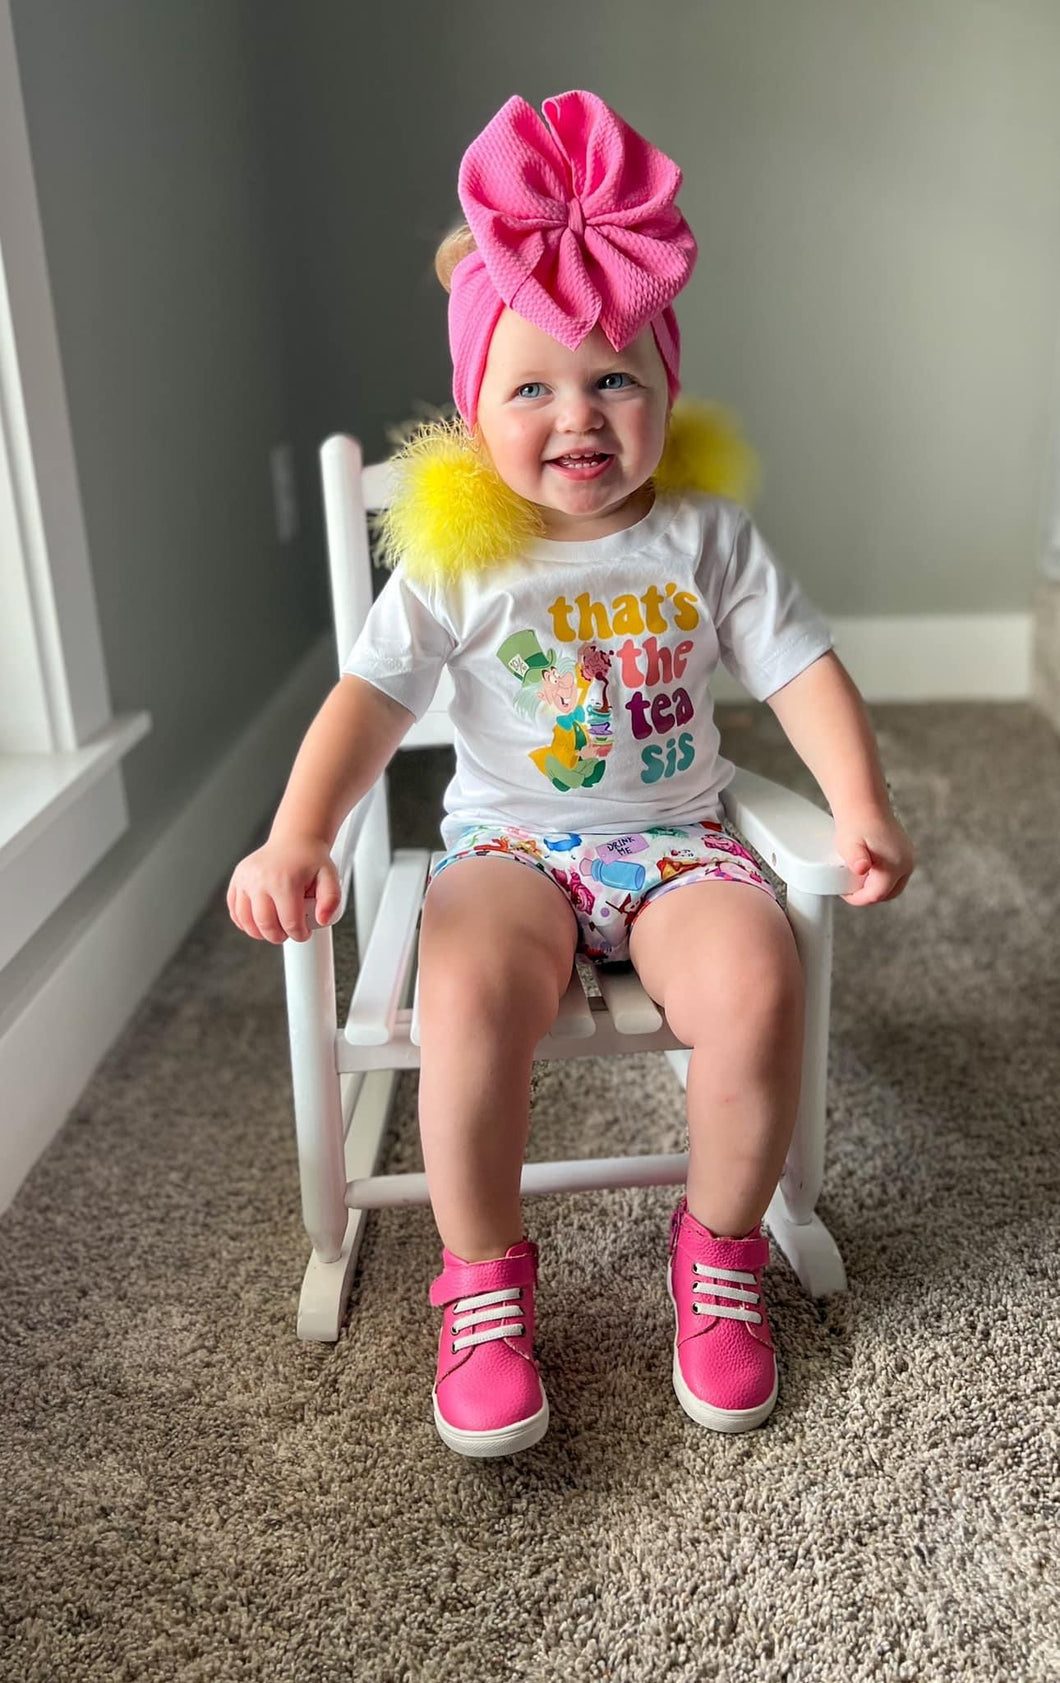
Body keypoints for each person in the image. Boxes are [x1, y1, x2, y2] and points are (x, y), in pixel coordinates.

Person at [227, 90, 915, 1457]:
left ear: (665, 386)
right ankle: (482, 1282)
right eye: (529, 386)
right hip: (514, 850)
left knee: (760, 977)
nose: (576, 414)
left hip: (677, 843)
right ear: (476, 408)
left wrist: (860, 803)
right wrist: (298, 832)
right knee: (466, 994)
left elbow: (799, 672)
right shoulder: (462, 554)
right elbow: (370, 702)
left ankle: (718, 1257)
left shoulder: (708, 536)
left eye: (615, 378)